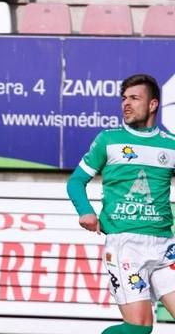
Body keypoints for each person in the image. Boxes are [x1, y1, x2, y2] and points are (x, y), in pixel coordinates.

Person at [67, 74, 175, 334]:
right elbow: (75, 182)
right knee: (139, 328)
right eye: (124, 98)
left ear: (153, 105)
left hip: (165, 247)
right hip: (126, 247)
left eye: (134, 98)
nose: (126, 104)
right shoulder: (109, 140)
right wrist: (86, 212)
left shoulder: (171, 145)